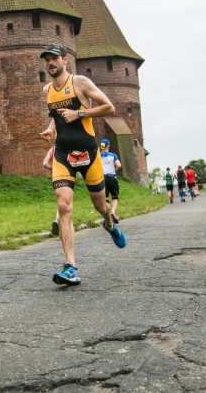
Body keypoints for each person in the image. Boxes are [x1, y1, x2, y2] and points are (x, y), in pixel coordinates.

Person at [39, 44, 126, 286]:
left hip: (88, 153)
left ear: (65, 60)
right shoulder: (47, 90)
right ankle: (70, 267)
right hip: (63, 154)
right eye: (46, 60)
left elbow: (109, 106)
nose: (50, 63)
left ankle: (109, 224)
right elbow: (56, 116)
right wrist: (51, 128)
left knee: (100, 206)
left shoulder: (80, 83)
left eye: (54, 58)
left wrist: (80, 114)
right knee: (63, 205)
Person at [99, 139, 122, 223]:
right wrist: (115, 170)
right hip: (112, 177)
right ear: (108, 146)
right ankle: (112, 212)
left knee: (105, 199)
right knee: (115, 197)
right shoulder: (113, 155)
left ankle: (107, 216)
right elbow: (119, 165)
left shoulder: (98, 156)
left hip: (102, 178)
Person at [42, 144, 60, 235]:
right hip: (67, 177)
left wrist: (52, 169)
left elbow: (45, 163)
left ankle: (58, 220)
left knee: (60, 200)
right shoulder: (67, 147)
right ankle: (58, 220)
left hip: (55, 178)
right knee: (66, 203)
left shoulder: (52, 149)